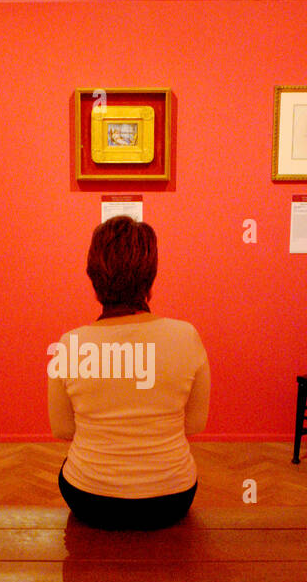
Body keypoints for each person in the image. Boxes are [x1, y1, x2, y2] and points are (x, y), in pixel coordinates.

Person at [47, 217, 210, 530]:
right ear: (151, 276)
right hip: (172, 497)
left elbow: (62, 429)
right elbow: (195, 423)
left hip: (89, 496)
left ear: (93, 275)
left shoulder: (70, 343)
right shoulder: (186, 335)